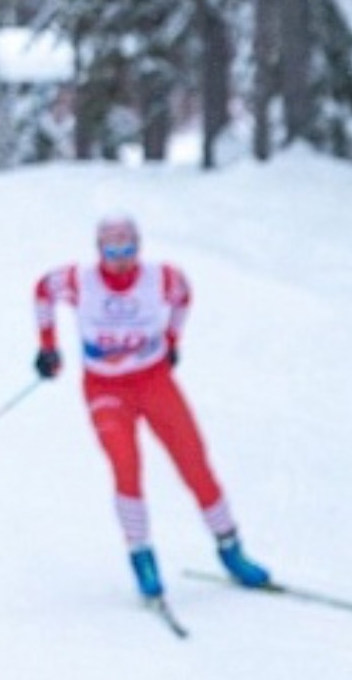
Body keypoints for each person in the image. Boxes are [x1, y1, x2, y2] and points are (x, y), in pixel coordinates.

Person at [32, 214, 273, 600]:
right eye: (112, 248)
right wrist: (47, 347)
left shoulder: (161, 277)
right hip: (105, 389)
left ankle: (231, 549)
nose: (121, 257)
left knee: (193, 461)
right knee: (126, 465)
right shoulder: (79, 280)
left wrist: (173, 339)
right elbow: (43, 290)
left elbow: (184, 296)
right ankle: (141, 554)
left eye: (128, 247)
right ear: (99, 250)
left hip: (154, 380)